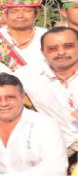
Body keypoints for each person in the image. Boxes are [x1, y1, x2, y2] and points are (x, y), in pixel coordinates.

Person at [18, 27, 78, 155]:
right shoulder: (27, 74)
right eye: (53, 49)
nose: (61, 52)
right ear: (43, 52)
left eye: (68, 46)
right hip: (55, 147)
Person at [0, 0, 48, 70]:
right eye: (14, 11)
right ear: (5, 15)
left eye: (27, 11)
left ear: (36, 14)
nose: (20, 15)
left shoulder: (47, 36)